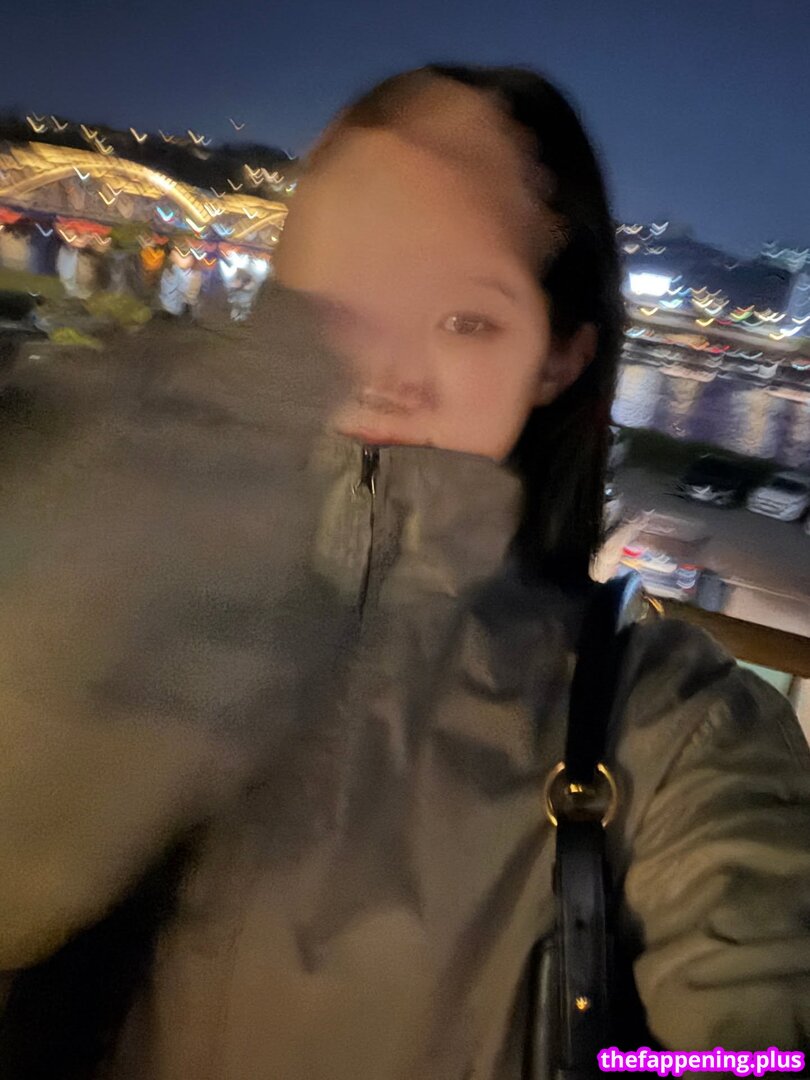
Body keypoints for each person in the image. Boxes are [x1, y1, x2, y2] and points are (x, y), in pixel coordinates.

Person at [0, 65, 807, 1080]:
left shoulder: (670, 733)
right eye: (343, 301)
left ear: (560, 358)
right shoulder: (119, 584)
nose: (386, 372)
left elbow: (764, 1031)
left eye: (466, 319)